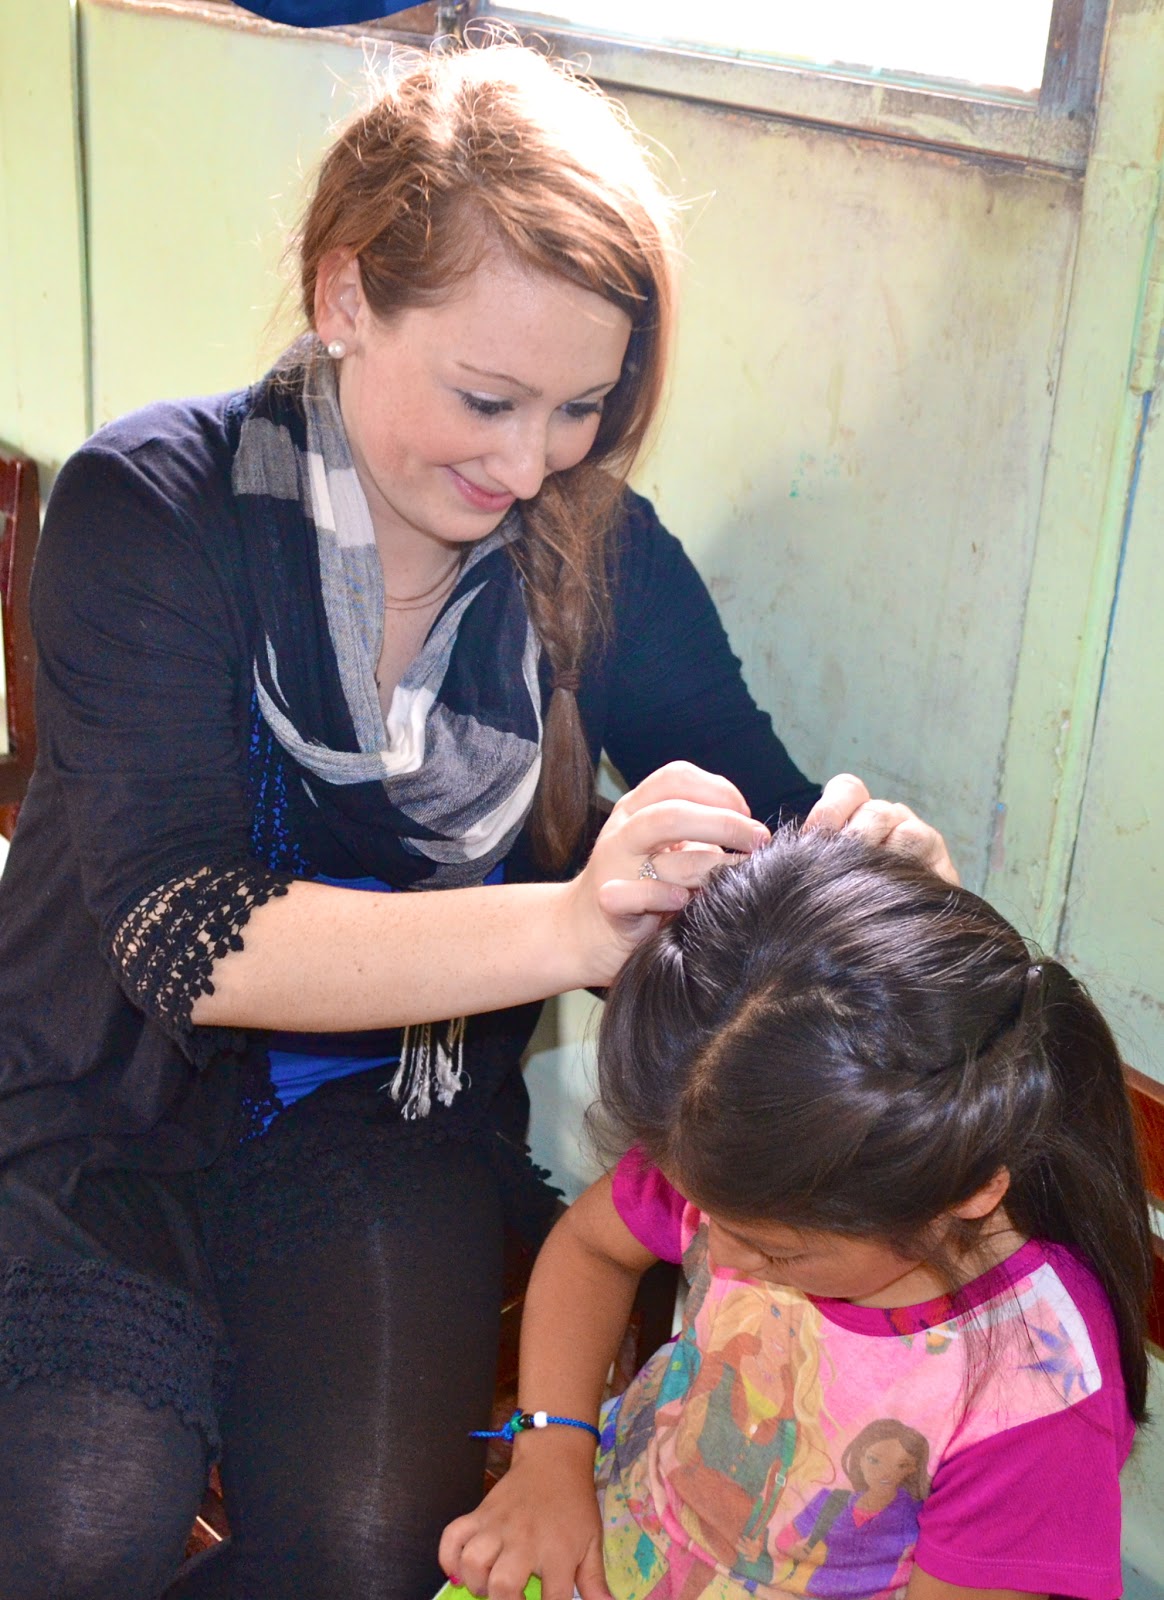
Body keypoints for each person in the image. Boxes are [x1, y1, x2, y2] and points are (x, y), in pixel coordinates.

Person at [0, 40, 954, 1600]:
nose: (528, 464)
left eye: (581, 407)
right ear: (344, 295)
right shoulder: (152, 508)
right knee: (77, 1525)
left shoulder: (602, 553)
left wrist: (871, 868)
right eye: (488, 398)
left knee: (373, 1555)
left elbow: (770, 810)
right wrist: (570, 922)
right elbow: (183, 938)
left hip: (388, 1118)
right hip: (98, 1107)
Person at [441, 826, 1153, 1600]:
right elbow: (593, 1248)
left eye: (776, 1254)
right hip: (614, 1522)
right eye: (705, 1217)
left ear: (966, 1194)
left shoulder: (1035, 1394)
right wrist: (551, 1454)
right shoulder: (748, 1154)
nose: (719, 1257)